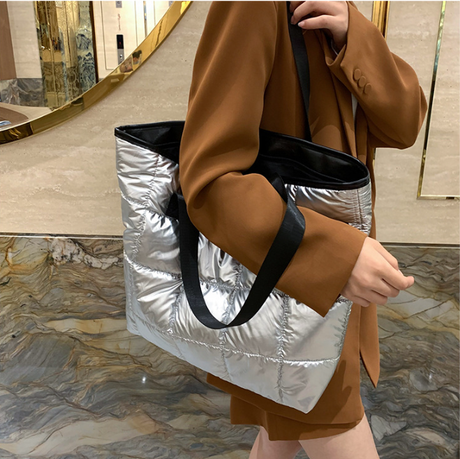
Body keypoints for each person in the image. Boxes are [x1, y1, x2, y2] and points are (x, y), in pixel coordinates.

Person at [179, 2, 427, 458]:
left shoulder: (338, 14)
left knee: (281, 433)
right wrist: (335, 257)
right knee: (317, 416)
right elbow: (208, 181)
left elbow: (405, 123)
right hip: (294, 287)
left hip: (322, 292)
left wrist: (352, 35)